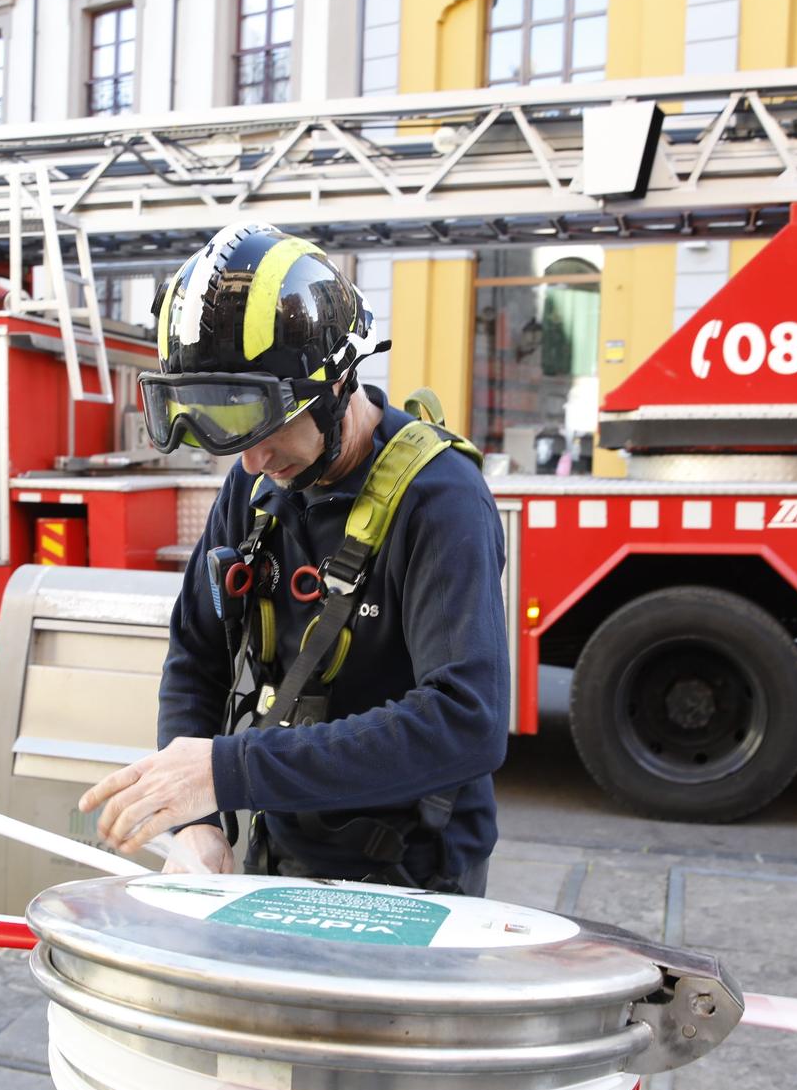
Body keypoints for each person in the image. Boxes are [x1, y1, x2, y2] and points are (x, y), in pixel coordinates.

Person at [79, 223, 509, 893]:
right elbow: (196, 655)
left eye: (267, 422)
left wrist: (228, 770)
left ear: (337, 383)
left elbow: (465, 723)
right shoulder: (255, 487)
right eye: (228, 426)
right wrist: (204, 821)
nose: (250, 460)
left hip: (415, 876)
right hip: (277, 855)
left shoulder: (441, 500)